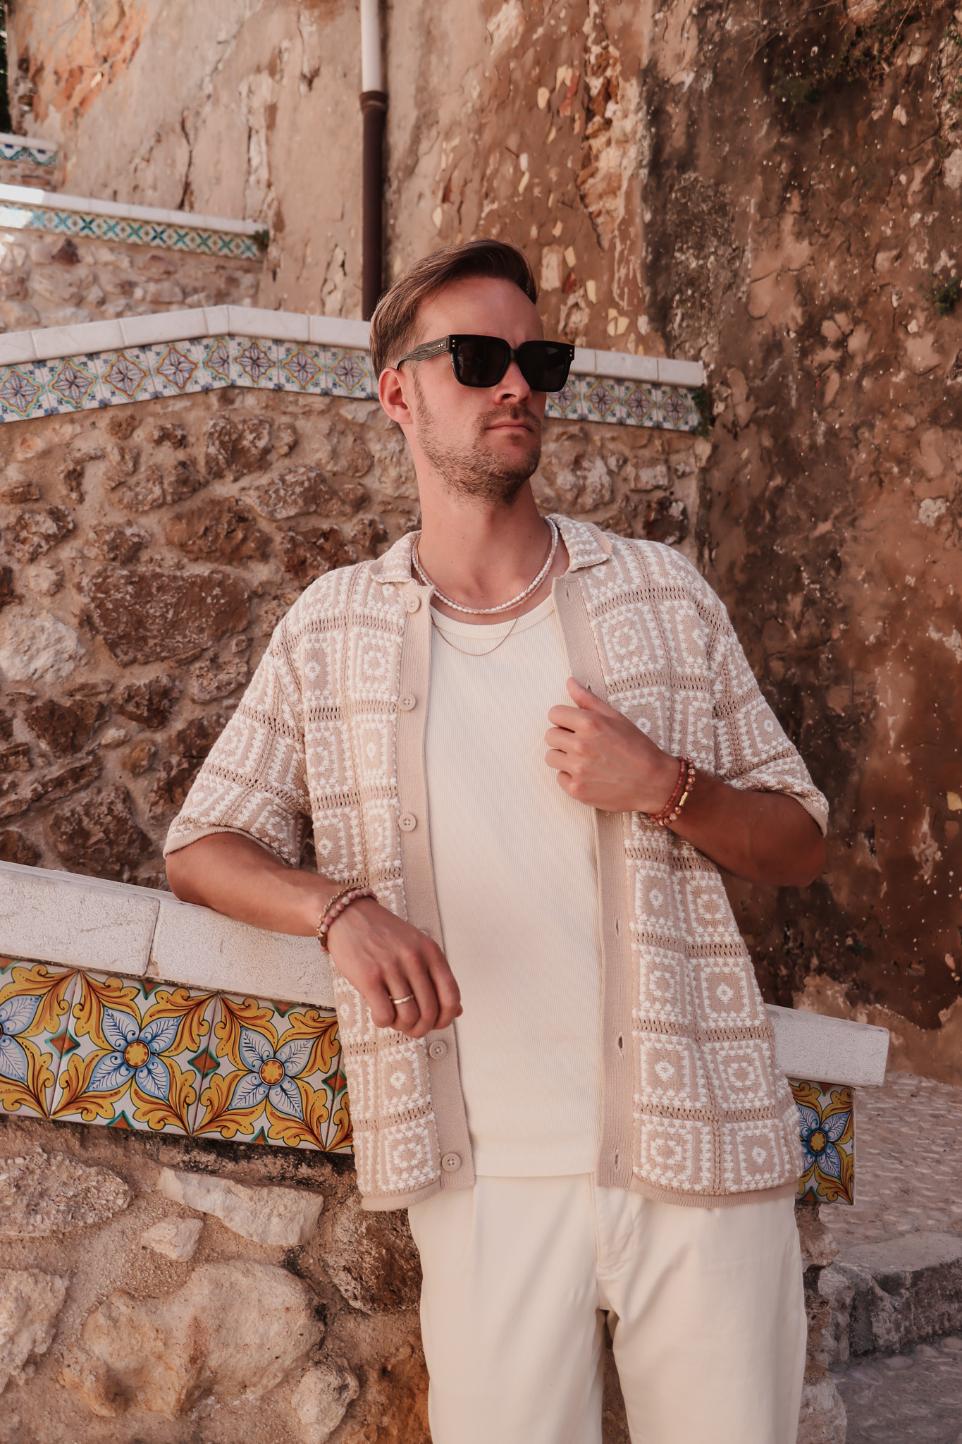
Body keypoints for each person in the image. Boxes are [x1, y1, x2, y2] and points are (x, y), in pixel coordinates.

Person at [164, 238, 829, 1444]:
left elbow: (798, 839)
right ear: (398, 392)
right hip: (478, 1185)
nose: (515, 384)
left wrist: (663, 784)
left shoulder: (659, 595)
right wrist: (336, 909)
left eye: (536, 360)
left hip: (703, 1162)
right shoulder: (332, 629)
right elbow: (201, 844)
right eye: (475, 359)